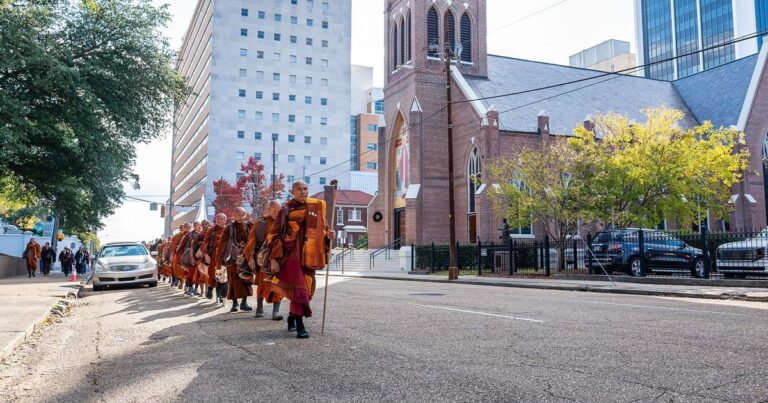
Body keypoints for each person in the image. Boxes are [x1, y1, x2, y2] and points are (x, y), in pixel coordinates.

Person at [266, 181, 333, 338]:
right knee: (299, 290)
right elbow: (274, 235)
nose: (303, 192)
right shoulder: (286, 210)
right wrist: (274, 259)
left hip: (310, 256)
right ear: (293, 192)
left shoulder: (315, 208)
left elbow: (323, 230)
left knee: (308, 292)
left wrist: (329, 236)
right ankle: (301, 326)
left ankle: (291, 317)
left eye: (305, 189)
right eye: (300, 189)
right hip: (292, 256)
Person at [242, 200, 283, 320]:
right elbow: (251, 241)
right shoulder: (261, 222)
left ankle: (276, 312)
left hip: (279, 259)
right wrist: (250, 257)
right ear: (269, 209)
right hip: (262, 259)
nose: (276, 212)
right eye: (274, 209)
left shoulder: (284, 222)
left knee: (278, 284)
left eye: (279, 210)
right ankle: (259, 308)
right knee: (261, 284)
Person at [216, 208, 253, 312]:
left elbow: (253, 239)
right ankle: (234, 304)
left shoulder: (249, 226)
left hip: (245, 258)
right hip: (233, 259)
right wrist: (220, 260)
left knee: (246, 280)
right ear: (234, 215)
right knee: (233, 282)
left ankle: (244, 303)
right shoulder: (229, 228)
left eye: (243, 215)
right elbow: (222, 243)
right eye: (239, 215)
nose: (241, 217)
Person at [204, 214, 227, 303]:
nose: (219, 221)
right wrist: (206, 254)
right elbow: (205, 243)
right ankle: (210, 288)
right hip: (213, 256)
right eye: (217, 219)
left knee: (222, 277)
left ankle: (220, 295)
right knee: (214, 275)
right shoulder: (211, 230)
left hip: (224, 256)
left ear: (225, 220)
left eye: (221, 219)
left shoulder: (228, 229)